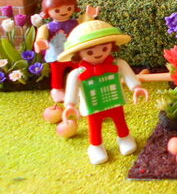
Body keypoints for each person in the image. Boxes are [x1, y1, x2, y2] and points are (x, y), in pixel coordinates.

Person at [60, 20, 148, 165]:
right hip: (93, 105)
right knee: (94, 127)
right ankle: (95, 146)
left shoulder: (118, 64)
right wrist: (70, 105)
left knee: (120, 120)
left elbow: (129, 76)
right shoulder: (77, 74)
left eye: (104, 48)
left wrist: (136, 87)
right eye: (89, 52)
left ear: (111, 46)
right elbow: (72, 89)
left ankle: (124, 137)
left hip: (115, 100)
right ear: (78, 54)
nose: (98, 54)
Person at [34, 0, 99, 103]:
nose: (64, 12)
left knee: (79, 70)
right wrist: (40, 42)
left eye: (69, 8)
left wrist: (89, 16)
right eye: (57, 10)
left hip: (73, 54)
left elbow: (84, 22)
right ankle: (57, 90)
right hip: (56, 56)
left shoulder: (75, 22)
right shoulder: (47, 27)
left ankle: (81, 87)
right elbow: (41, 36)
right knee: (57, 74)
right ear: (47, 11)